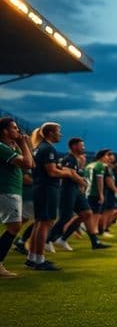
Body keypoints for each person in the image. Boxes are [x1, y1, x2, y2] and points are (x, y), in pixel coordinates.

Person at [29, 122, 84, 271]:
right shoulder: (48, 148)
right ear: (50, 133)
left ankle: (32, 257)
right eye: (58, 132)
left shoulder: (40, 148)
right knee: (45, 223)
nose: (60, 134)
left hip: (41, 187)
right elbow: (52, 172)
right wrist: (67, 173)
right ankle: (40, 260)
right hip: (47, 188)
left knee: (40, 222)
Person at [47, 138, 109, 251]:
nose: (84, 148)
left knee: (87, 213)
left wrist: (81, 183)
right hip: (67, 190)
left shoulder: (76, 160)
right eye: (82, 146)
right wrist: (82, 181)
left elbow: (74, 174)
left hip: (76, 191)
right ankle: (48, 240)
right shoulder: (68, 159)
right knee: (65, 217)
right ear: (74, 146)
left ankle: (65, 239)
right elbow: (70, 174)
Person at [0, 118, 35, 278]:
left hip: (11, 190)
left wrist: (25, 145)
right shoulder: (2, 147)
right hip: (6, 191)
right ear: (5, 131)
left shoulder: (9, 147)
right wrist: (22, 144)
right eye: (14, 128)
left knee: (14, 226)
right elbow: (27, 164)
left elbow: (31, 163)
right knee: (14, 227)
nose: (18, 131)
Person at [83, 150, 114, 250]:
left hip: (87, 192)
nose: (108, 158)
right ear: (101, 156)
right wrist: (101, 194)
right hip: (94, 193)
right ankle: (95, 240)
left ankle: (95, 239)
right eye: (107, 156)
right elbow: (100, 180)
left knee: (87, 215)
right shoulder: (101, 165)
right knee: (95, 216)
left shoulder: (89, 165)